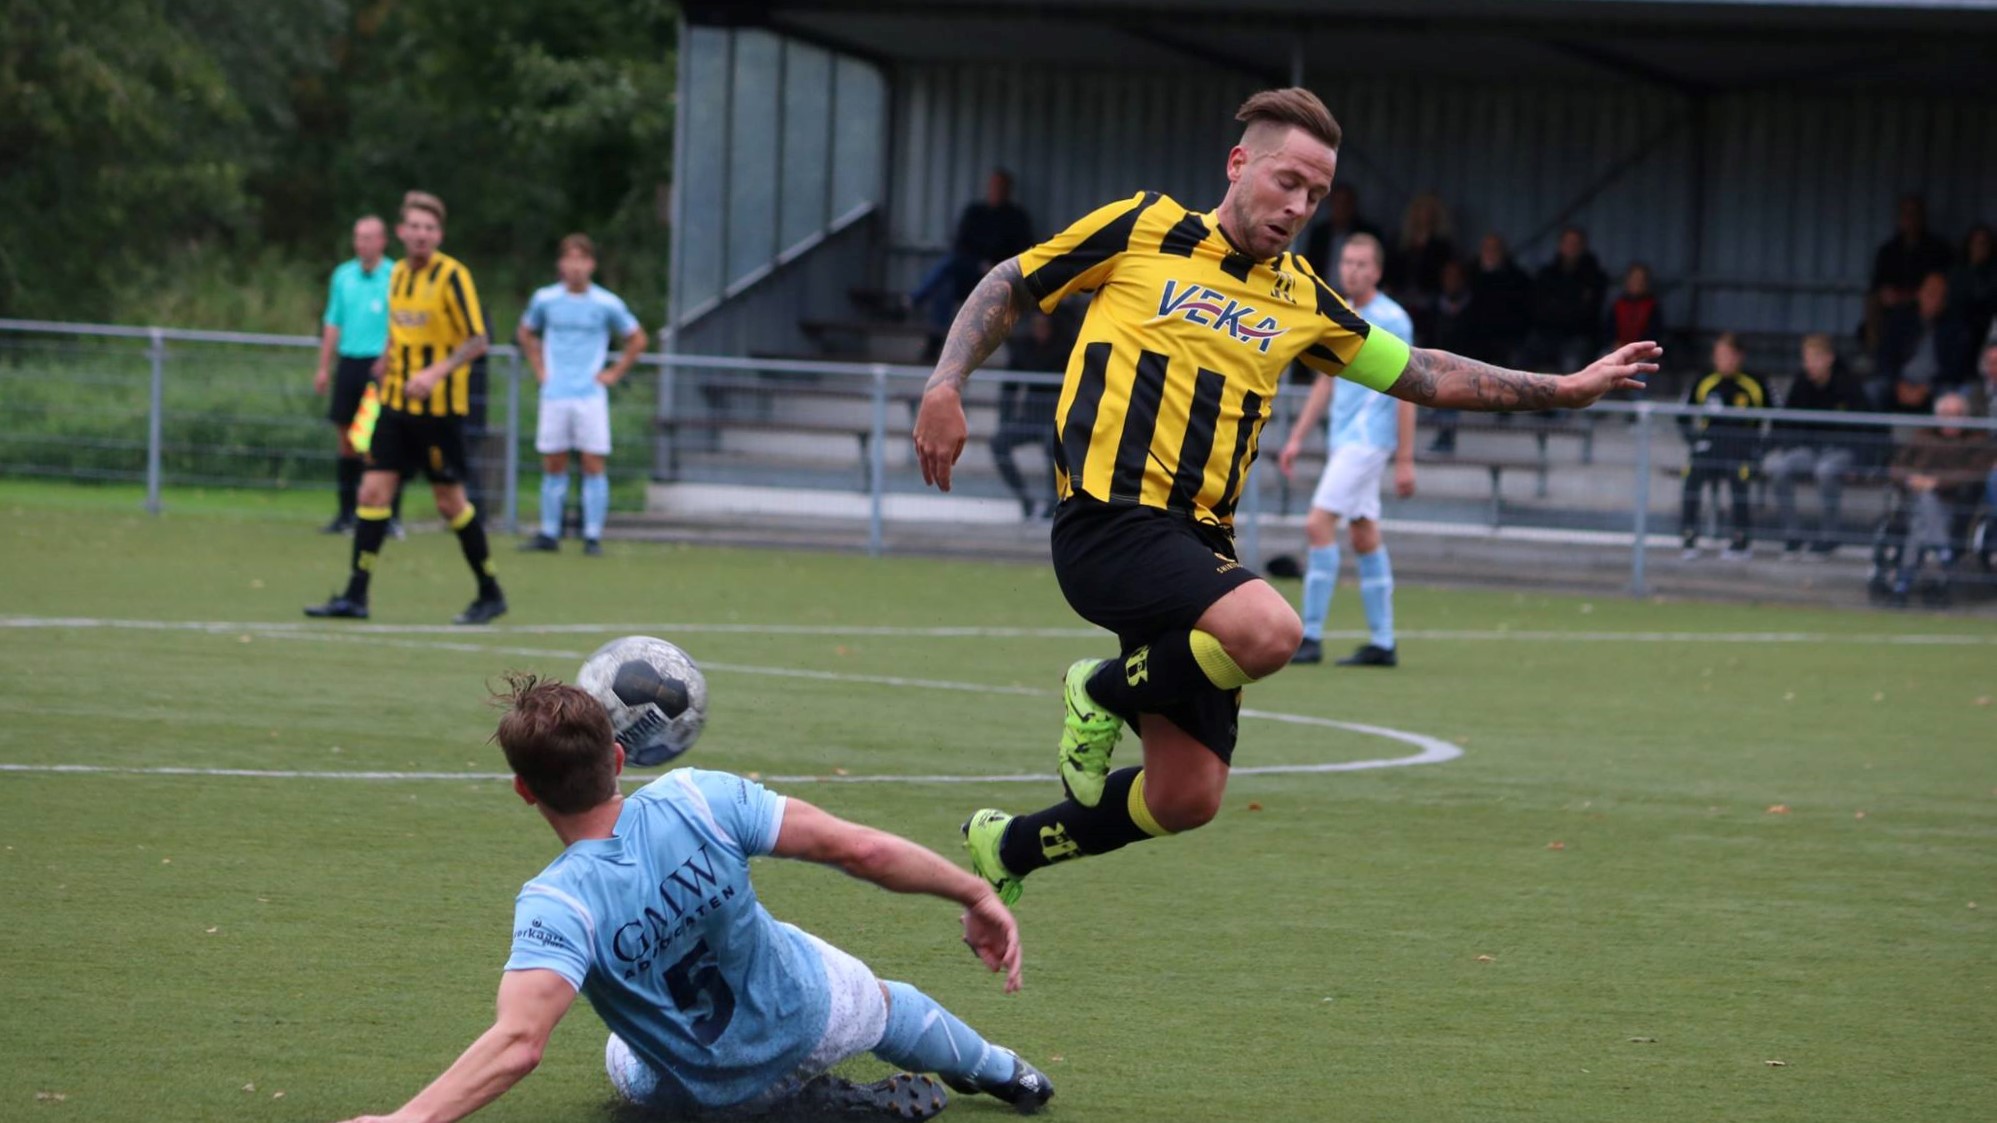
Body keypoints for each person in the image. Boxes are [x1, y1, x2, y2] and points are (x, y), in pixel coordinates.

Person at [909, 87, 1658, 906]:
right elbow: (1012, 281)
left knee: (1185, 796)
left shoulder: (1303, 297)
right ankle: (1100, 689)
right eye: (1287, 181)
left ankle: (1007, 846)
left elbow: (1423, 372)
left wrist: (1564, 388)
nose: (1299, 206)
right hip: (1106, 521)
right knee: (1270, 629)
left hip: (1199, 548)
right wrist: (946, 382)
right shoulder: (1141, 225)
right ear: (1238, 164)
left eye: (1316, 194)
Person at [331, 675, 1052, 1123]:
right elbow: (857, 850)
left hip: (707, 1091)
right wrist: (973, 891)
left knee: (623, 1054)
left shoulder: (555, 905)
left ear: (524, 790)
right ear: (620, 757)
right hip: (813, 1020)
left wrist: (407, 1119)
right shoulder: (697, 798)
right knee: (886, 1000)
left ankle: (772, 1106)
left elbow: (518, 1043)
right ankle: (1005, 1071)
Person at [304, 191, 507, 625]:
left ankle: (490, 592)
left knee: (450, 502)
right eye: (414, 226)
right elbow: (399, 329)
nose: (421, 234)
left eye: (429, 228)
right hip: (395, 405)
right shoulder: (397, 275)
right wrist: (387, 359)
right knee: (372, 492)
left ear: (439, 235)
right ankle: (355, 595)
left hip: (439, 413)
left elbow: (478, 339)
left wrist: (435, 373)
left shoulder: (453, 276)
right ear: (401, 232)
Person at [1277, 232, 1417, 668]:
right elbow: (1326, 380)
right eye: (1347, 262)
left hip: (1367, 441)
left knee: (1317, 524)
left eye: (1361, 264)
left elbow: (1410, 389)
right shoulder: (1341, 312)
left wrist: (1405, 458)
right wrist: (1298, 436)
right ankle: (1384, 642)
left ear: (1377, 271)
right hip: (1345, 441)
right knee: (1363, 533)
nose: (1352, 270)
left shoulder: (1392, 319)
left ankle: (1311, 635)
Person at [516, 234, 647, 557]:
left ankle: (592, 535)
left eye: (582, 260)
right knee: (553, 461)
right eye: (570, 259)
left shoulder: (606, 303)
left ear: (591, 264)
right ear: (561, 264)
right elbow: (526, 332)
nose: (575, 267)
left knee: (592, 461)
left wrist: (614, 373)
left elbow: (637, 338)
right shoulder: (545, 299)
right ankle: (550, 532)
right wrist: (539, 368)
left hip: (589, 395)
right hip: (555, 392)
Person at [312, 215, 395, 536]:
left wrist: (388, 358)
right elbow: (333, 322)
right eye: (358, 237)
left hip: (380, 367)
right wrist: (324, 366)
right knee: (347, 440)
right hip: (349, 363)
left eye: (369, 237)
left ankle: (384, 515)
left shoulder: (395, 275)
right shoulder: (343, 275)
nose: (362, 244)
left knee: (377, 442)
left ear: (382, 241)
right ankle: (346, 514)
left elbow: (400, 323)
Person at [1881, 392, 1996, 607]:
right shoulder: (1922, 437)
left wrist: (1936, 483)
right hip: (1914, 501)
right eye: (1946, 414)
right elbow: (1897, 466)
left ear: (1965, 417)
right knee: (1925, 503)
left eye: (1956, 415)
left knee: (1921, 521)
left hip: (1954, 505)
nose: (1951, 420)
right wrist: (1911, 479)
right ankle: (1944, 552)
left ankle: (1903, 585)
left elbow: (1974, 474)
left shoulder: (1977, 441)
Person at [1760, 334, 1869, 555]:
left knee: (1825, 470)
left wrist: (1863, 461)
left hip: (1840, 450)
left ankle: (1830, 535)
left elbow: (1866, 426)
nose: (1809, 364)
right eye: (1806, 359)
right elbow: (1787, 420)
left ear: (1829, 358)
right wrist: (1783, 446)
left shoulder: (1848, 384)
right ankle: (1793, 533)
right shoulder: (1801, 382)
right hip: (1809, 449)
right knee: (1778, 467)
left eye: (1815, 358)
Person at [910, 169, 1035, 345]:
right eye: (994, 186)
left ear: (1008, 190)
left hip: (1001, 276)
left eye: (1001, 187)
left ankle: (914, 301)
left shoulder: (1017, 218)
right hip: (971, 272)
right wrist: (980, 264)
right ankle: (935, 342)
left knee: (949, 265)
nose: (997, 190)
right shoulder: (975, 213)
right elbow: (960, 245)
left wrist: (996, 266)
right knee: (946, 284)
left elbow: (1024, 252)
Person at [1678, 332, 1768, 560]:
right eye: (1719, 355)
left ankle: (1740, 540)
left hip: (1742, 448)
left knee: (1739, 475)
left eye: (1728, 355)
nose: (1723, 360)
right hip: (1710, 446)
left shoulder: (1754, 383)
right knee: (1692, 473)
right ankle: (1689, 537)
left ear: (1739, 356)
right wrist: (1694, 442)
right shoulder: (1704, 381)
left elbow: (1779, 417)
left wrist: (1760, 447)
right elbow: (1682, 415)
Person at [990, 309, 1073, 520]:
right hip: (1031, 415)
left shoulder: (1065, 348)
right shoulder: (1024, 348)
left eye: (1044, 326)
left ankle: (1052, 502)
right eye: (1036, 326)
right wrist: (1005, 420)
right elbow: (1010, 386)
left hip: (1056, 417)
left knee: (1052, 448)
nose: (1040, 331)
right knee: (999, 443)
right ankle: (1025, 499)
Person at [1872, 271, 1973, 413]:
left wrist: (1927, 387)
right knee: (1873, 390)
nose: (1935, 300)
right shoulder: (1902, 319)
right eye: (1931, 293)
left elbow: (1955, 368)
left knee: (1952, 400)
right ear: (1919, 293)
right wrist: (1898, 384)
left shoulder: (1955, 327)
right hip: (1899, 383)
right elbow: (1885, 357)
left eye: (1940, 296)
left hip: (1935, 385)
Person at [1866, 194, 1953, 350]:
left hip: (1923, 304)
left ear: (1922, 217)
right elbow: (1878, 285)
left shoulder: (1938, 249)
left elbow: (1942, 286)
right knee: (1873, 302)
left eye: (1914, 213)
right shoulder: (1888, 250)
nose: (1910, 218)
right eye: (1905, 214)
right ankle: (1875, 351)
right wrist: (1885, 294)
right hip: (1892, 307)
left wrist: (1912, 296)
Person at [1524, 226, 1609, 375]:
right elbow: (1537, 308)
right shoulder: (1546, 274)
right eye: (1568, 243)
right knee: (1520, 361)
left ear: (1583, 247)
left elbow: (1589, 313)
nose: (1571, 247)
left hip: (1578, 336)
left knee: (1572, 365)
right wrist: (1570, 307)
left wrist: (1557, 307)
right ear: (1560, 245)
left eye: (1576, 243)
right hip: (1545, 334)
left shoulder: (1594, 277)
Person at [1383, 192, 1456, 340]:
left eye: (1429, 211)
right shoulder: (1400, 240)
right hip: (1400, 296)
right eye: (1422, 209)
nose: (1425, 215)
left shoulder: (1442, 245)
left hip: (1429, 300)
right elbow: (1390, 268)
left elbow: (1443, 275)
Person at [1298, 183, 1382, 279]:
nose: (1341, 208)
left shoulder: (1366, 233)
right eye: (1337, 203)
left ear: (1352, 206)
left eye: (1345, 204)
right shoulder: (1319, 234)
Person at [1948, 224, 1997, 354]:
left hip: (1989, 327)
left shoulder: (1994, 273)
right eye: (1977, 243)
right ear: (1969, 245)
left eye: (1984, 243)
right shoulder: (1957, 272)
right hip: (1961, 329)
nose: (1980, 247)